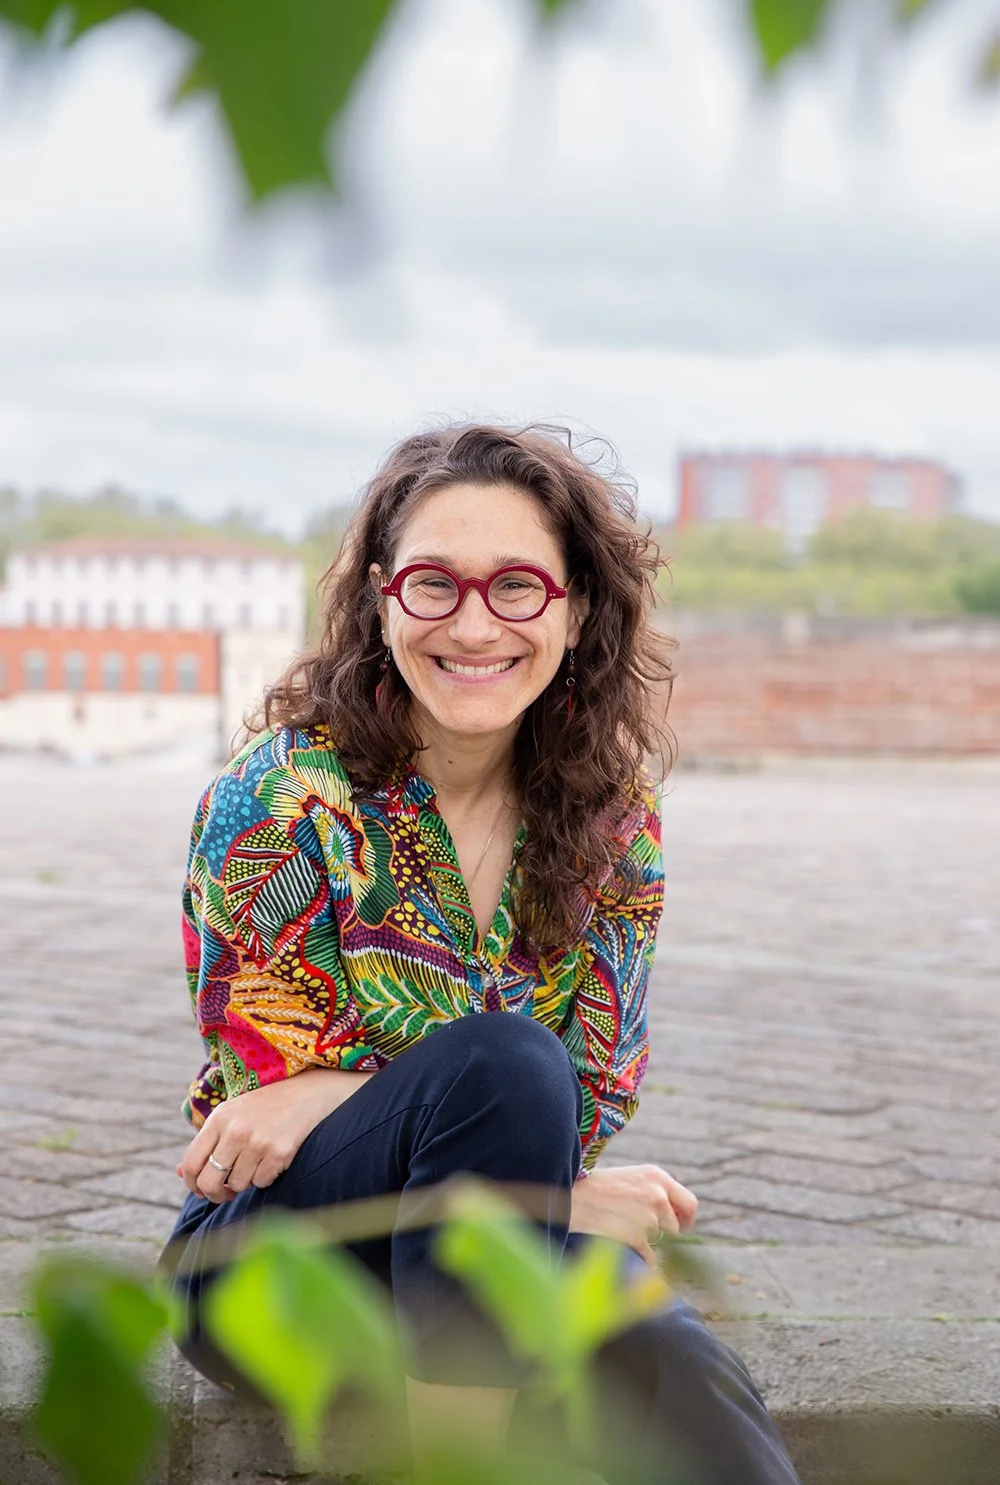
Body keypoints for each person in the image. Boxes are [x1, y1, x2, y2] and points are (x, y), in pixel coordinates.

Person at [159, 423, 801, 1485]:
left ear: (575, 607)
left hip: (498, 1259)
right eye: (432, 585)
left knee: (670, 1354)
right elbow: (265, 1120)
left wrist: (515, 1174)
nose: (472, 623)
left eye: (515, 587)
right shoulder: (281, 798)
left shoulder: (611, 824)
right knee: (505, 1060)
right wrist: (554, 1192)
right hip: (277, 1264)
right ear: (379, 597)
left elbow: (584, 1095)